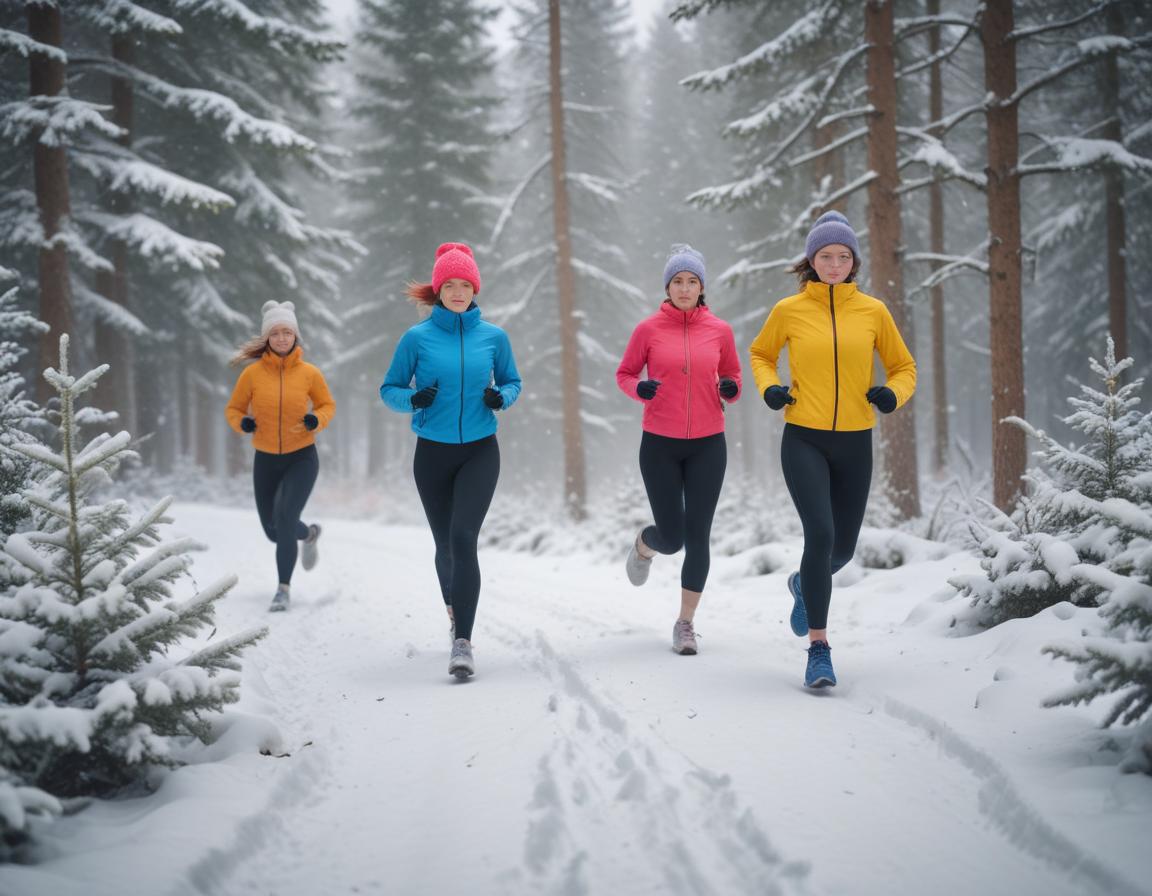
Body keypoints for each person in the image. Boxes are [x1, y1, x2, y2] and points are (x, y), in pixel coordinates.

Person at [749, 211, 916, 688]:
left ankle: (804, 585)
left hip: (855, 441)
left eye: (844, 256)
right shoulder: (789, 310)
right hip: (803, 435)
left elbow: (904, 367)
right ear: (811, 259)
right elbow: (761, 355)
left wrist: (892, 394)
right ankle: (818, 649)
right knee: (820, 536)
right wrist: (770, 388)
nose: (835, 264)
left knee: (841, 548)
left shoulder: (873, 312)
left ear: (854, 262)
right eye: (826, 255)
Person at [379, 242, 522, 681]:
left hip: (481, 449)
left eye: (466, 284)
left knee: (463, 538)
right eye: (451, 284)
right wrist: (413, 399)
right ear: (438, 289)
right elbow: (390, 389)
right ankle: (453, 610)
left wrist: (503, 397)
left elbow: (513, 381)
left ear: (475, 288)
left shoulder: (494, 337)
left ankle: (463, 642)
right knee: (444, 545)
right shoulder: (416, 338)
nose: (458, 291)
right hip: (433, 454)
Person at [616, 245, 742, 655]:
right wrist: (640, 388)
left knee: (699, 536)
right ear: (667, 287)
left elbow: (734, 375)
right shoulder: (648, 330)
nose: (685, 289)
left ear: (702, 287)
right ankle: (645, 545)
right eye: (678, 282)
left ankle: (685, 623)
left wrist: (731, 388)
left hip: (709, 444)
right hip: (660, 445)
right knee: (672, 538)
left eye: (692, 282)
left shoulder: (719, 330)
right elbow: (625, 373)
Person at [226, 300, 336, 612]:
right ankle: (310, 533)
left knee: (286, 519)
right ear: (267, 338)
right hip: (266, 459)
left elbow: (327, 405)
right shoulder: (251, 375)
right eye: (276, 333)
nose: (283, 338)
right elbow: (233, 409)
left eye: (288, 332)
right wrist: (242, 422)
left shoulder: (310, 373)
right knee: (274, 530)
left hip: (302, 456)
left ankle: (283, 589)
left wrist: (317, 419)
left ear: (295, 336)